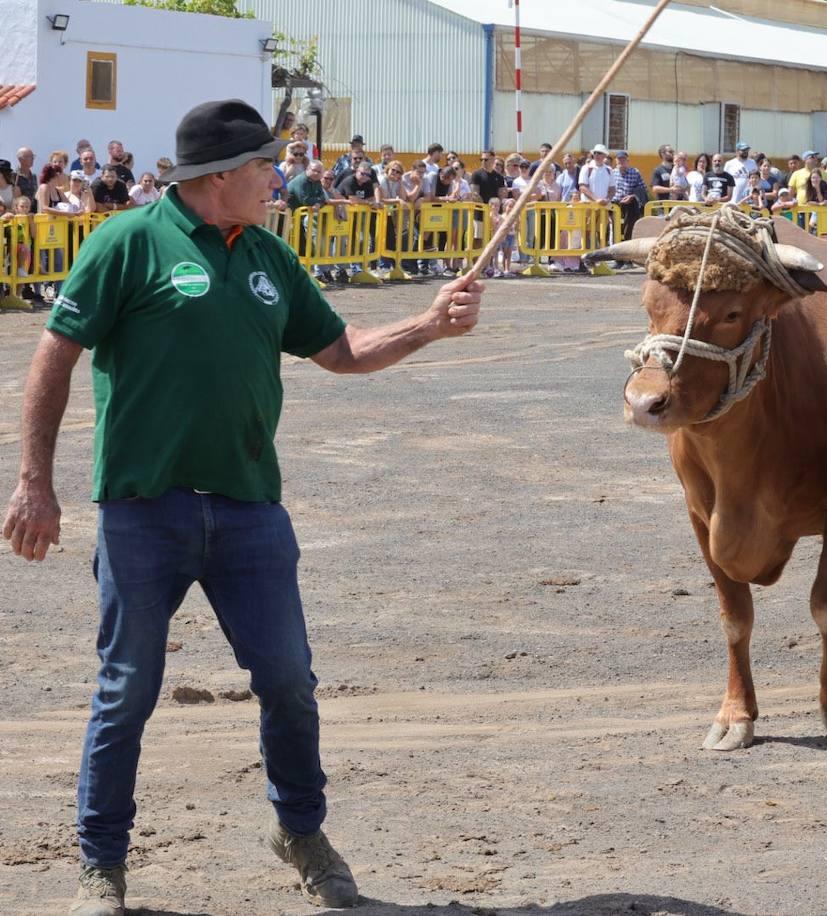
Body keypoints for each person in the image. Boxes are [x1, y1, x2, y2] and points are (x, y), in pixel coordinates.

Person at [2, 98, 483, 916]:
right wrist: (34, 482)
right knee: (128, 688)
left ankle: (300, 831)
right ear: (220, 176)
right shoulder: (126, 242)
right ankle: (101, 867)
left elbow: (339, 350)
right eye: (266, 166)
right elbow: (56, 353)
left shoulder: (267, 253)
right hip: (142, 511)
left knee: (290, 680)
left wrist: (428, 326)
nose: (277, 178)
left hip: (251, 510)